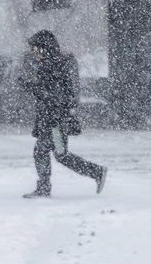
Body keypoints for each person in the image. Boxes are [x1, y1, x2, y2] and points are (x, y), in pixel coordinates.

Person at [22, 30, 107, 198]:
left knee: (46, 152)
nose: (34, 53)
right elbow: (48, 92)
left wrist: (36, 88)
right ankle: (96, 172)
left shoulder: (58, 65)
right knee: (58, 154)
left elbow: (60, 96)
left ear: (45, 48)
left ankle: (45, 187)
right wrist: (31, 86)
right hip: (51, 118)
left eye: (36, 49)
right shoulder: (49, 64)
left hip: (56, 120)